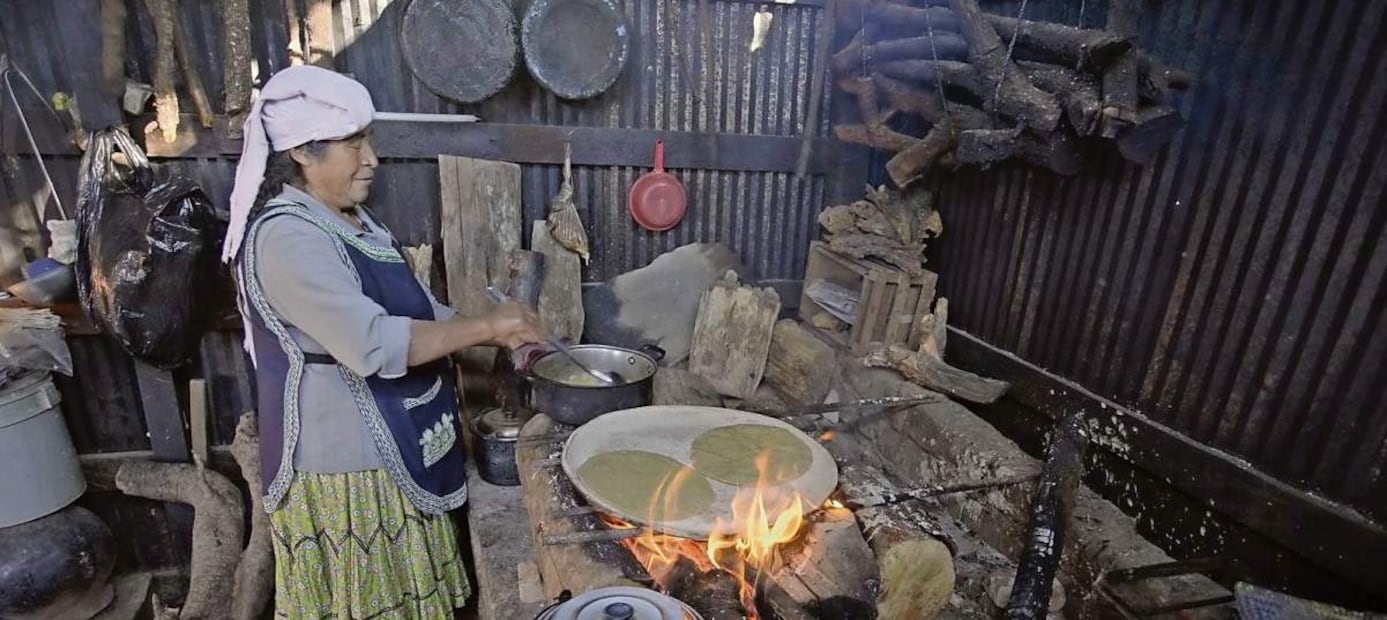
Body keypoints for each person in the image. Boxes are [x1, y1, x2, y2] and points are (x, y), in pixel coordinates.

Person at [223, 65, 545, 618]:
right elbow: (372, 344)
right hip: (345, 469)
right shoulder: (287, 238)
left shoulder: (356, 222)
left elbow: (418, 312)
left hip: (398, 440)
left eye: (367, 139)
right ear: (303, 152)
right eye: (354, 143)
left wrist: (495, 328)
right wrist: (489, 326)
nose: (371, 157)